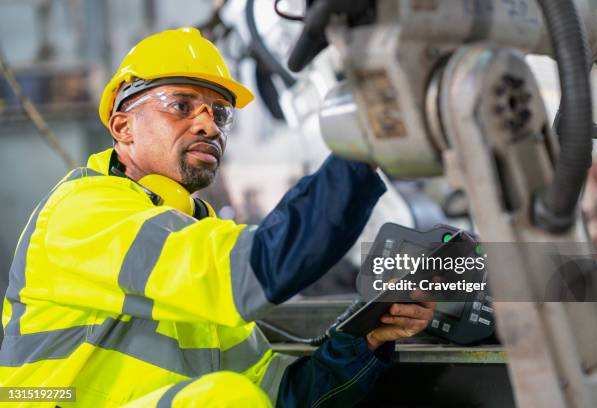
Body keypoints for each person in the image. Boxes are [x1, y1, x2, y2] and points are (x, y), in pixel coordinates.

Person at [0, 27, 434, 407]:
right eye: (181, 105)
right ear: (122, 127)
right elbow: (256, 267)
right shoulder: (82, 213)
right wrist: (361, 149)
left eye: (219, 113)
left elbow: (279, 396)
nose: (208, 126)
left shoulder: (197, 237)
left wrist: (366, 340)